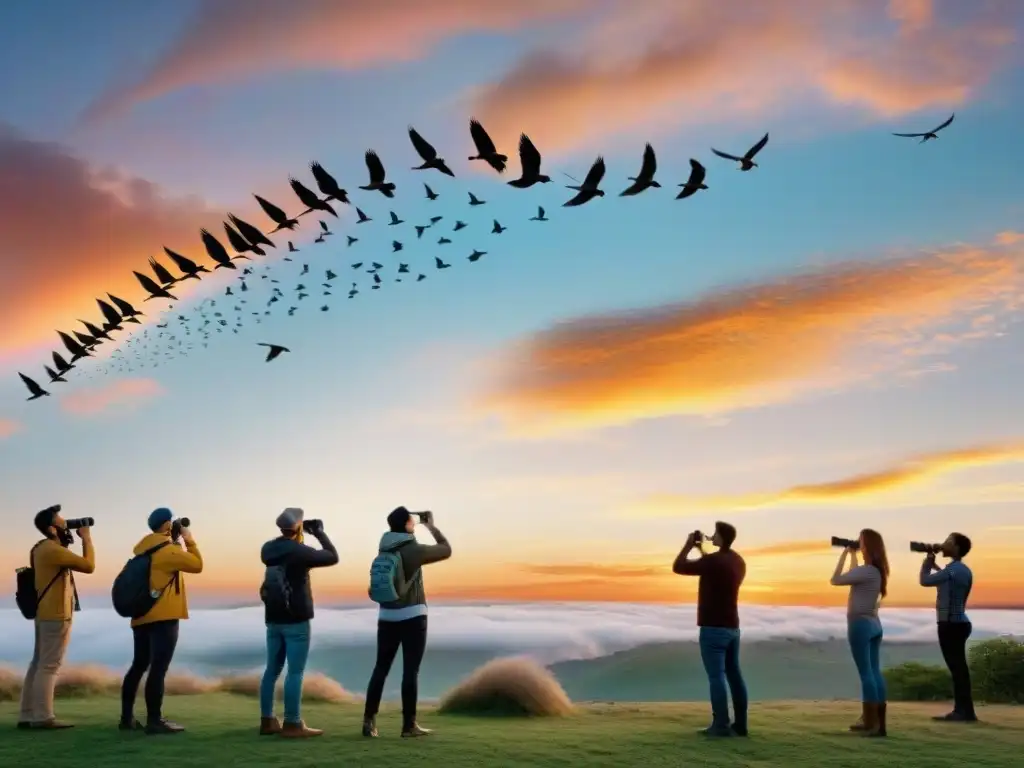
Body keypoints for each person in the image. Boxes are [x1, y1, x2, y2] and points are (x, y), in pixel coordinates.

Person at [362, 507, 452, 738]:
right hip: (413, 615)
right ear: (407, 525)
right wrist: (430, 525)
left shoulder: (383, 548)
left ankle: (368, 721)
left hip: (386, 616)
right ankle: (409, 726)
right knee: (410, 671)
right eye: (412, 521)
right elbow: (446, 549)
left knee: (380, 668)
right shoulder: (414, 550)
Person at [119, 508, 203, 734]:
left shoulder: (143, 551)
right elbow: (196, 565)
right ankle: (154, 721)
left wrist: (174, 541)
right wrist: (188, 539)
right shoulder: (167, 551)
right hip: (164, 616)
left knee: (138, 666)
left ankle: (126, 718)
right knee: (158, 669)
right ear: (167, 525)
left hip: (141, 616)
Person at [257, 508, 339, 738]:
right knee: (295, 672)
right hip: (296, 620)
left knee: (271, 670)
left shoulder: (268, 549)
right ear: (298, 526)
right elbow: (332, 556)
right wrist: (320, 533)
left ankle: (267, 721)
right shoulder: (299, 551)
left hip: (273, 619)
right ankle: (292, 723)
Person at [18, 507, 95, 729]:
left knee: (38, 663)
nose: (66, 527)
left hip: (45, 613)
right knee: (50, 665)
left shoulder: (42, 549)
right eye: (63, 524)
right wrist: (86, 538)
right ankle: (43, 717)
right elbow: (89, 566)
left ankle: (28, 714)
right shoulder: (51, 550)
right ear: (52, 529)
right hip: (56, 615)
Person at [672, 521, 748, 737]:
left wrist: (688, 545)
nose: (712, 535)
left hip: (712, 628)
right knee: (735, 675)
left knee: (716, 677)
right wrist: (701, 549)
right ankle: (740, 725)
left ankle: (721, 725)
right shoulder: (737, 561)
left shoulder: (713, 561)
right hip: (733, 627)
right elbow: (714, 565)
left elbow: (678, 567)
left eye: (715, 533)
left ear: (721, 537)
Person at [830, 529, 889, 737]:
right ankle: (878, 723)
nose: (859, 545)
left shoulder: (868, 570)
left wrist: (845, 554)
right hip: (874, 624)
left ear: (869, 546)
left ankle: (870, 723)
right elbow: (854, 577)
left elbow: (836, 579)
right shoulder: (876, 571)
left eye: (861, 543)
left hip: (860, 624)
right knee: (874, 672)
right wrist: (854, 554)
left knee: (866, 674)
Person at [920, 532, 976, 722]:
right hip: (959, 623)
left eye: (948, 542)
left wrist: (928, 559)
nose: (943, 544)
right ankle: (964, 710)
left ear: (957, 548)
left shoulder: (952, 571)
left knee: (957, 670)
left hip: (950, 624)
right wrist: (936, 564)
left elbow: (925, 580)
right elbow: (946, 584)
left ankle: (963, 712)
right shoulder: (962, 570)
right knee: (959, 669)